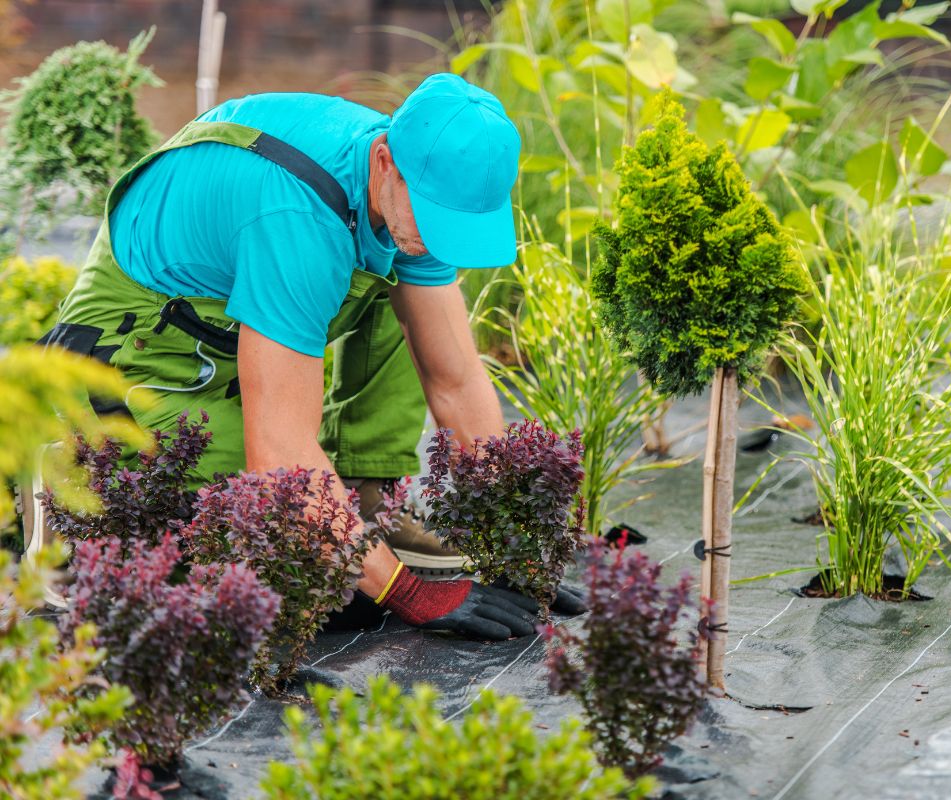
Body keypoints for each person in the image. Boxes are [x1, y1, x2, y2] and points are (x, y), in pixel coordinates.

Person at [39, 73, 581, 639]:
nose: (439, 240)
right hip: (143, 345)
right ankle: (66, 483)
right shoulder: (296, 217)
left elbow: (456, 380)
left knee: (407, 289)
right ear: (383, 160)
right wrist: (408, 592)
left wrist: (515, 549)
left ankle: (367, 500)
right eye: (434, 218)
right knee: (250, 572)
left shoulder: (409, 197)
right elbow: (280, 453)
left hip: (234, 313)